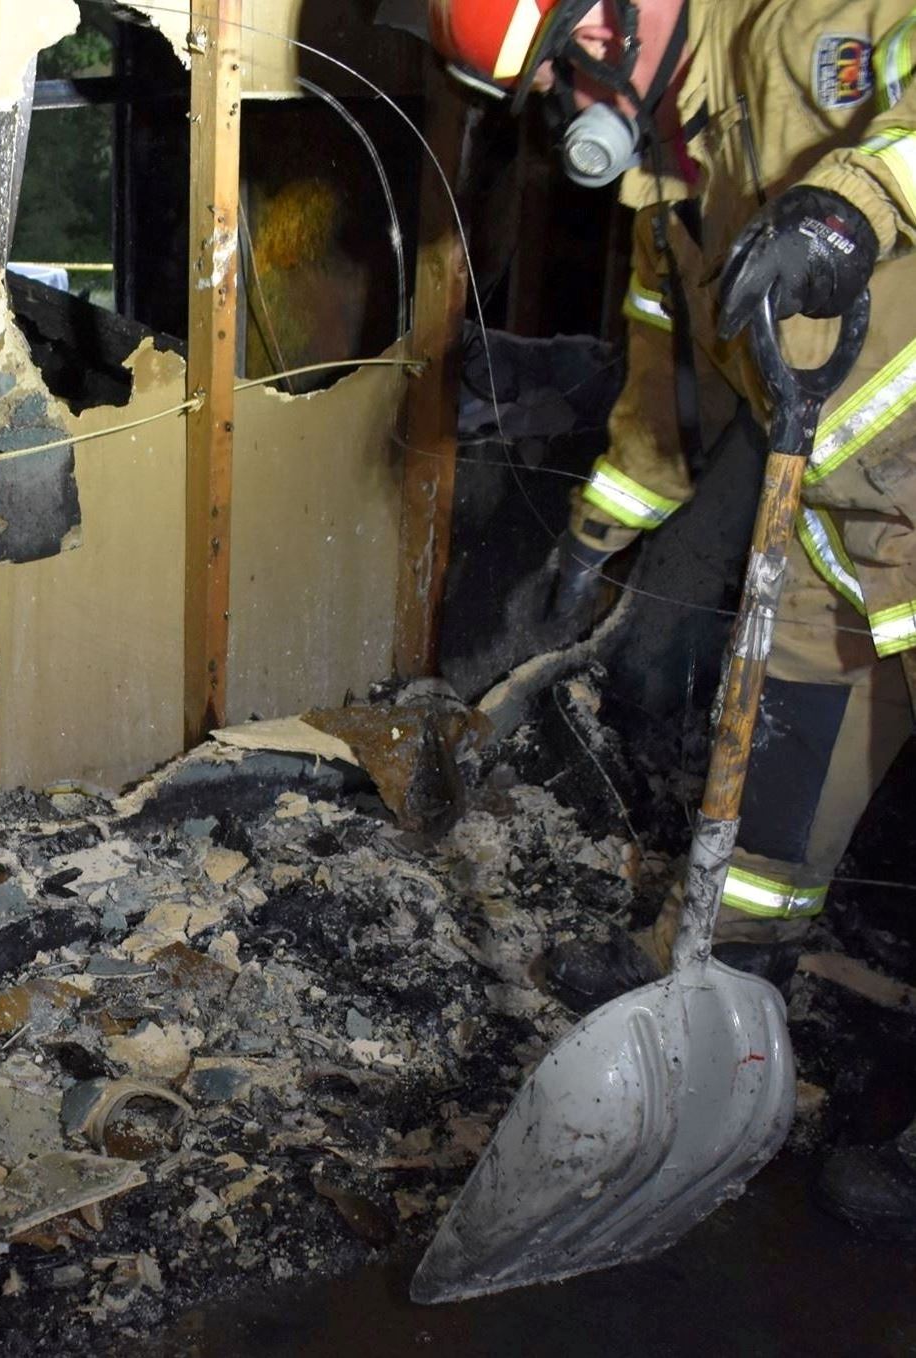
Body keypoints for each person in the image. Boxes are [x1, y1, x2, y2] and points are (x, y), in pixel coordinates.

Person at [424, 0, 916, 1237]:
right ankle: (714, 977)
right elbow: (663, 383)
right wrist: (591, 535)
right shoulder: (666, 182)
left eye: (565, 65)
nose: (570, 103)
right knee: (775, 779)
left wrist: (856, 198)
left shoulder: (822, 20)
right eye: (549, 88)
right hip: (839, 514)